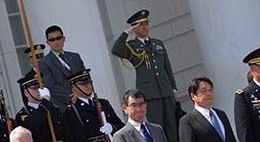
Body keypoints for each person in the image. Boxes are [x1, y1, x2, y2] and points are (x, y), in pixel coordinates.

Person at [111, 10, 178, 142]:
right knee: (157, 128)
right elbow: (116, 49)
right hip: (150, 93)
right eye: (140, 24)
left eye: (146, 23)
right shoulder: (132, 46)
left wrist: (173, 88)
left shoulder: (157, 43)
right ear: (135, 27)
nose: (145, 27)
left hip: (165, 90)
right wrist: (127, 32)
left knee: (172, 128)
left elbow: (167, 68)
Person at [63, 69, 124, 142]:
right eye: (82, 84)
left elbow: (121, 126)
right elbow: (77, 138)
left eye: (88, 82)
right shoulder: (73, 110)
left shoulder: (104, 103)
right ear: (74, 89)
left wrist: (112, 127)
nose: (87, 86)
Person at [38, 25, 86, 113]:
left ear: (63, 39)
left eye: (58, 38)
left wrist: (83, 94)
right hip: (64, 105)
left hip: (84, 99)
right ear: (48, 42)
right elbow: (51, 86)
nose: (56, 42)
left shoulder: (75, 56)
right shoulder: (44, 62)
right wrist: (72, 97)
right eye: (52, 40)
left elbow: (84, 77)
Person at [179, 77, 236, 142]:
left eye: (210, 90)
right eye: (203, 91)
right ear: (193, 96)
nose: (208, 94)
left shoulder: (221, 114)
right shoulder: (188, 121)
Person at [15, 74, 63, 142]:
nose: (39, 90)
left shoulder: (53, 108)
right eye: (35, 88)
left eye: (40, 87)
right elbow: (35, 121)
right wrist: (45, 101)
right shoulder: (22, 115)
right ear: (26, 93)